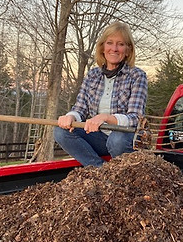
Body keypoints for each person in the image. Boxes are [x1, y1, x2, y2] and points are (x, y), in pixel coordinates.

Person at [54, 21, 148, 167]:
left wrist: (106, 118)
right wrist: (70, 117)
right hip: (99, 137)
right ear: (103, 48)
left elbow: (136, 118)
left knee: (116, 139)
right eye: (110, 43)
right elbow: (80, 108)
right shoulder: (93, 75)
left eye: (121, 44)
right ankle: (100, 169)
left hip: (125, 139)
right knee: (60, 131)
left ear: (128, 50)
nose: (114, 49)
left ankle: (122, 170)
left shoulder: (137, 76)